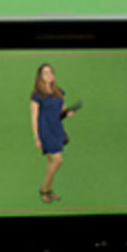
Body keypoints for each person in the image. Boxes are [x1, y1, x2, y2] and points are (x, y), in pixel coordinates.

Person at [32, 62, 78, 204]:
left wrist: (67, 113)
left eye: (51, 72)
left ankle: (49, 189)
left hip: (58, 130)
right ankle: (44, 189)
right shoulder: (36, 95)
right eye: (45, 73)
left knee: (52, 161)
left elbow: (60, 113)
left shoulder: (59, 92)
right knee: (58, 160)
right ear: (40, 76)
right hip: (46, 131)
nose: (49, 75)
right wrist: (36, 137)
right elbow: (34, 117)